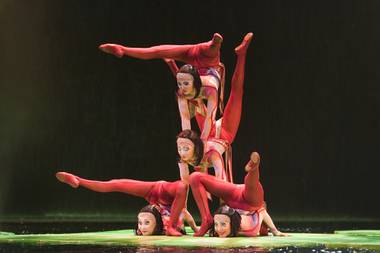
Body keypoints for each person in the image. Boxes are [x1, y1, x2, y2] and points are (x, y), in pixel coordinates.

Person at [99, 34, 225, 142]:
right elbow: (208, 118)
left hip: (193, 59)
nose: (183, 91)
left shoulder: (184, 92)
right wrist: (202, 142)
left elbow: (185, 118)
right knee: (210, 53)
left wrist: (171, 64)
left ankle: (123, 49)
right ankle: (214, 44)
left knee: (156, 51)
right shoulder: (209, 90)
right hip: (208, 62)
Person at [177, 33, 253, 183]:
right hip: (225, 133)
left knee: (193, 100)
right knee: (237, 92)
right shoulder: (205, 158)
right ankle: (242, 54)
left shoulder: (194, 155)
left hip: (209, 130)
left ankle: (241, 53)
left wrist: (201, 141)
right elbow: (219, 176)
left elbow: (195, 117)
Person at [55, 172, 197, 236]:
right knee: (183, 186)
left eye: (142, 225)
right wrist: (196, 230)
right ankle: (78, 180)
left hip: (152, 195)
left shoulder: (157, 225)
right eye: (142, 224)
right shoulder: (180, 217)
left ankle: (78, 180)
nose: (141, 227)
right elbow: (189, 219)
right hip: (166, 192)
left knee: (116, 184)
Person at [189, 152, 287, 237]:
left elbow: (262, 211)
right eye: (216, 224)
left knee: (251, 185)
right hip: (241, 197)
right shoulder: (251, 220)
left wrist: (275, 231)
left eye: (222, 224)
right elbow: (262, 211)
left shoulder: (248, 224)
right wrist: (274, 230)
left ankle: (254, 167)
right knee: (194, 177)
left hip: (243, 200)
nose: (218, 229)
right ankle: (206, 219)